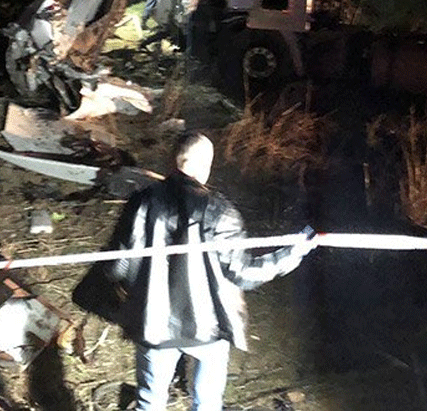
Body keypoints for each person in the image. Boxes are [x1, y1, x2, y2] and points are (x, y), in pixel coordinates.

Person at [96, 132, 315, 411]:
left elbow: (119, 266)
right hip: (207, 328)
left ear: (173, 161)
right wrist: (294, 252)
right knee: (208, 404)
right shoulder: (221, 211)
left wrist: (127, 296)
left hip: (154, 323)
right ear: (206, 165)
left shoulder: (141, 203)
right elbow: (246, 273)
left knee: (150, 402)